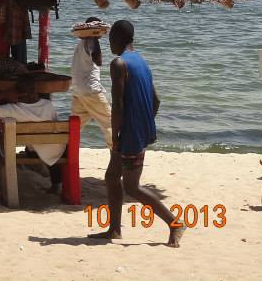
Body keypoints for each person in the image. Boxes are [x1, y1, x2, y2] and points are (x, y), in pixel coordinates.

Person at [89, 20, 186, 248]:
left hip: (129, 134)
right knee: (112, 177)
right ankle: (114, 229)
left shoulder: (118, 63)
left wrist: (117, 136)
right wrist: (144, 124)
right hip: (139, 130)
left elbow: (118, 105)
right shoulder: (142, 61)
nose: (110, 44)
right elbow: (156, 100)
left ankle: (174, 223)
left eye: (111, 39)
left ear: (118, 39)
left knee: (132, 186)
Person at [70, 17, 113, 149]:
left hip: (78, 91)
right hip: (91, 90)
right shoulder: (92, 42)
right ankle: (116, 152)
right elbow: (98, 61)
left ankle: (66, 151)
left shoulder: (80, 44)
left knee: (75, 127)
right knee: (110, 122)